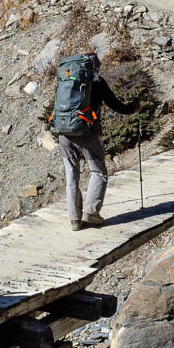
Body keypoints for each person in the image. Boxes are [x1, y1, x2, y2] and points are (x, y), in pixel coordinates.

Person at [60, 53, 139, 231]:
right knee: (99, 172)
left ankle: (74, 219)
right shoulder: (97, 81)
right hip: (87, 132)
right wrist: (133, 108)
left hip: (64, 133)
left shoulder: (67, 78)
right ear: (95, 67)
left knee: (71, 176)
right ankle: (91, 212)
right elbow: (116, 105)